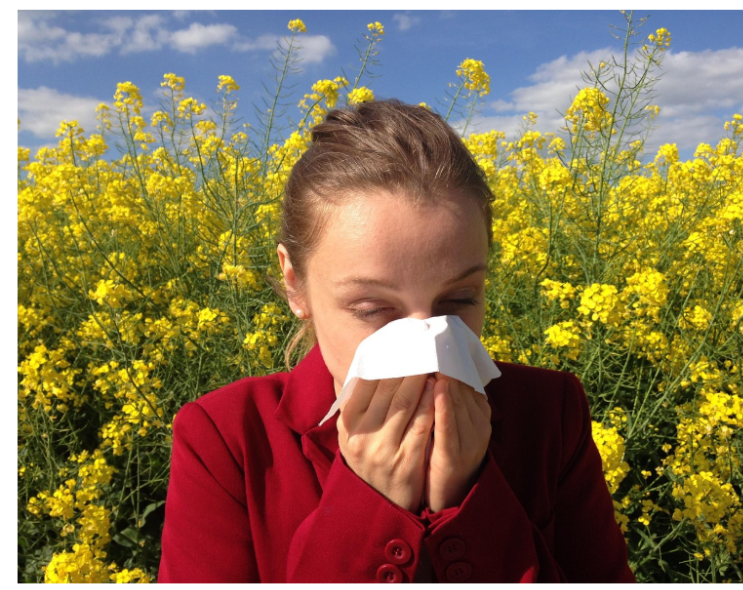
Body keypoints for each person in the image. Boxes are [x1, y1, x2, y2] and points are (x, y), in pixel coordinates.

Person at [158, 100, 636, 583]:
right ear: (295, 285)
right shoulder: (227, 439)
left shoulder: (549, 413)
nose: (428, 345)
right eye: (372, 309)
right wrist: (369, 504)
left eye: (460, 300)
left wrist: (470, 497)